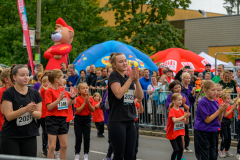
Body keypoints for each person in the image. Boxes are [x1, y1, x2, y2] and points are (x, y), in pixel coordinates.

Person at [108, 52, 143, 160]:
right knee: (119, 155)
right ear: (114, 64)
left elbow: (139, 96)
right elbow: (118, 94)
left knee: (130, 155)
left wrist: (136, 81)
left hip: (130, 119)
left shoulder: (129, 79)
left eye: (125, 60)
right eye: (120, 61)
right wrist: (130, 79)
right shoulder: (114, 76)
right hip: (117, 120)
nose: (124, 63)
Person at [1, 64, 42, 157]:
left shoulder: (35, 93)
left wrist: (31, 112)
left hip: (29, 135)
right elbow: (8, 116)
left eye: (27, 75)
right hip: (10, 136)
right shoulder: (8, 93)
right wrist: (25, 109)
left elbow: (39, 115)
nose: (26, 77)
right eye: (22, 75)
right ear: (14, 77)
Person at [45, 69, 77, 160]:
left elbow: (67, 104)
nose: (64, 79)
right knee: (52, 147)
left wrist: (71, 97)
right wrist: (58, 99)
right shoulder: (49, 91)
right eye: (62, 77)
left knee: (64, 145)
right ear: (56, 80)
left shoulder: (62, 89)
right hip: (52, 119)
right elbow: (49, 107)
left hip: (62, 119)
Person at [194, 80, 228, 160]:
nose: (215, 92)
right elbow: (207, 120)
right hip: (203, 132)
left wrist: (222, 110)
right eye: (212, 90)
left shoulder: (216, 102)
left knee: (213, 155)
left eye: (216, 90)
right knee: (204, 156)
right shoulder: (202, 102)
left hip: (213, 132)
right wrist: (219, 111)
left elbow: (219, 119)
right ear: (206, 91)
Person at [74, 83, 95, 160]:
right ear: (79, 91)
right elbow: (78, 110)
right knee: (78, 137)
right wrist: (84, 103)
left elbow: (93, 109)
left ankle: (86, 153)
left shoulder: (91, 99)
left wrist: (88, 102)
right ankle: (77, 153)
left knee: (87, 138)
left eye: (86, 88)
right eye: (83, 88)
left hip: (87, 119)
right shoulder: (77, 99)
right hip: (78, 119)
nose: (85, 89)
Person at [166, 93, 191, 160]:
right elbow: (174, 120)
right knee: (176, 150)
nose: (180, 101)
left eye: (181, 100)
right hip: (172, 133)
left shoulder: (181, 110)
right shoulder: (172, 110)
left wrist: (187, 116)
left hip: (179, 132)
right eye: (179, 100)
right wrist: (183, 116)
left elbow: (186, 122)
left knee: (181, 149)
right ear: (174, 101)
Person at [181, 72, 196, 153]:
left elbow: (192, 100)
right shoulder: (182, 88)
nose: (188, 79)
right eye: (186, 78)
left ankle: (186, 145)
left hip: (189, 109)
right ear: (183, 79)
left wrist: (193, 96)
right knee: (184, 127)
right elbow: (184, 98)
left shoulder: (190, 87)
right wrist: (191, 94)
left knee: (187, 127)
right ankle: (184, 144)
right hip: (182, 109)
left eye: (189, 78)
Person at [0, 68, 14, 154]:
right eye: (12, 76)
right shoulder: (2, 91)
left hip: (14, 127)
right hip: (3, 126)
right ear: (6, 80)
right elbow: (3, 111)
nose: (14, 78)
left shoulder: (16, 90)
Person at [218, 91, 236, 158]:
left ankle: (226, 150)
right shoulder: (224, 106)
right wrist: (231, 109)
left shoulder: (230, 106)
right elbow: (225, 115)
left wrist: (233, 110)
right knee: (224, 137)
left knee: (229, 137)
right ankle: (221, 150)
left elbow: (232, 116)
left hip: (228, 122)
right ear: (224, 99)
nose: (229, 99)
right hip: (223, 122)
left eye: (230, 98)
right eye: (227, 98)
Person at [39, 75, 50, 157]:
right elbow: (46, 90)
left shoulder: (47, 89)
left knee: (49, 131)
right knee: (45, 132)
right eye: (48, 82)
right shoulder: (43, 89)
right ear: (44, 82)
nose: (49, 83)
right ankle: (44, 148)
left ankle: (48, 147)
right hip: (43, 114)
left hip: (48, 113)